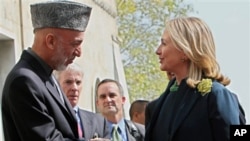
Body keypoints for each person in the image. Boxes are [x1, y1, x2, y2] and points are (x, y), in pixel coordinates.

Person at [1, 1, 92, 140]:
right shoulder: (25, 81)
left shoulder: (45, 76)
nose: (79, 53)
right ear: (50, 41)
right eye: (75, 44)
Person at [145, 17, 246, 141]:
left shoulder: (217, 95)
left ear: (185, 51)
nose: (158, 51)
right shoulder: (156, 105)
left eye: (164, 43)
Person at [54, 63, 110, 140]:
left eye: (78, 82)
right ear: (57, 85)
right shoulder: (49, 117)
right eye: (68, 82)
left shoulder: (99, 121)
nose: (74, 88)